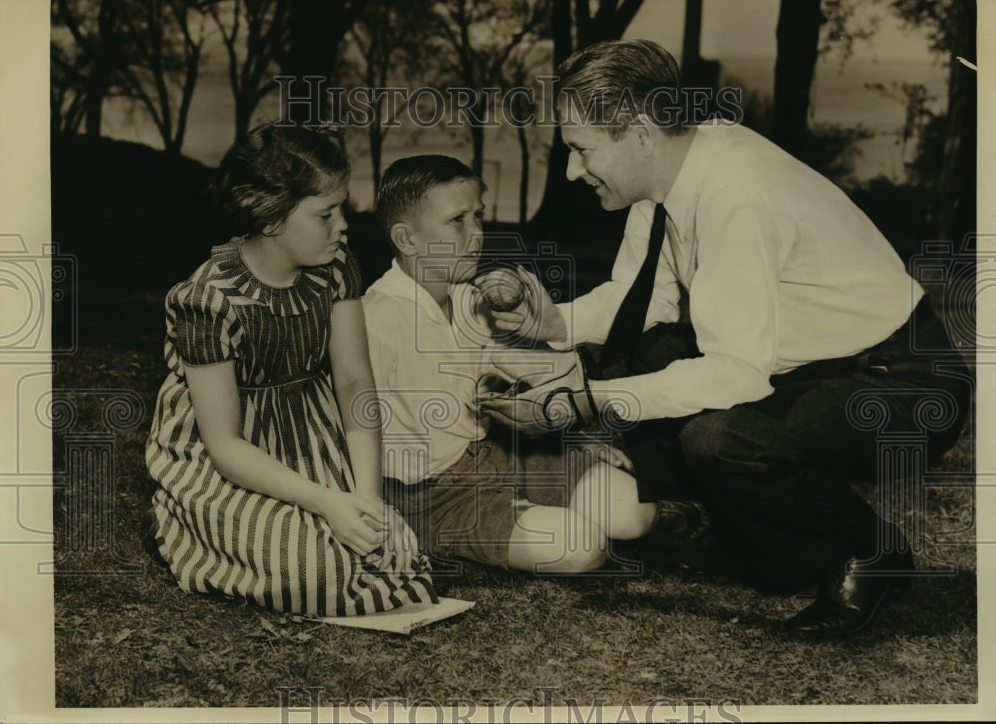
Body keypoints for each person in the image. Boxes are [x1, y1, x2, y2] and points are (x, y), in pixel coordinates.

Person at [480, 39, 971, 637]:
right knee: (652, 355)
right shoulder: (673, 169)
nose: (573, 171)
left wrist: (584, 402)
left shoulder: (734, 192)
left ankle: (870, 550)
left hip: (906, 383)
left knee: (720, 438)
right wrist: (555, 324)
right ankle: (730, 533)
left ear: (637, 133)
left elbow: (736, 371)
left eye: (582, 150)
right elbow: (647, 301)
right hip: (818, 367)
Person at [362, 154, 704, 575]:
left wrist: (546, 327)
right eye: (457, 220)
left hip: (500, 454)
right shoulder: (376, 319)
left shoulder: (471, 302)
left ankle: (669, 519)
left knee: (631, 514)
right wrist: (373, 512)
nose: (477, 234)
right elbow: (344, 428)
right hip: (430, 494)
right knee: (580, 548)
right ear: (406, 238)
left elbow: (555, 377)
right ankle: (441, 533)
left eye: (478, 216)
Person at [144, 123, 434, 617]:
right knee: (317, 572)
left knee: (393, 552)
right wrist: (325, 502)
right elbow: (225, 444)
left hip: (311, 438)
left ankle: (323, 529)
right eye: (326, 213)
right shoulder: (207, 301)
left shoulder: (336, 268)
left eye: (341, 207)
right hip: (229, 459)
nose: (343, 224)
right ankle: (176, 523)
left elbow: (354, 383)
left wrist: (364, 498)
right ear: (272, 217)